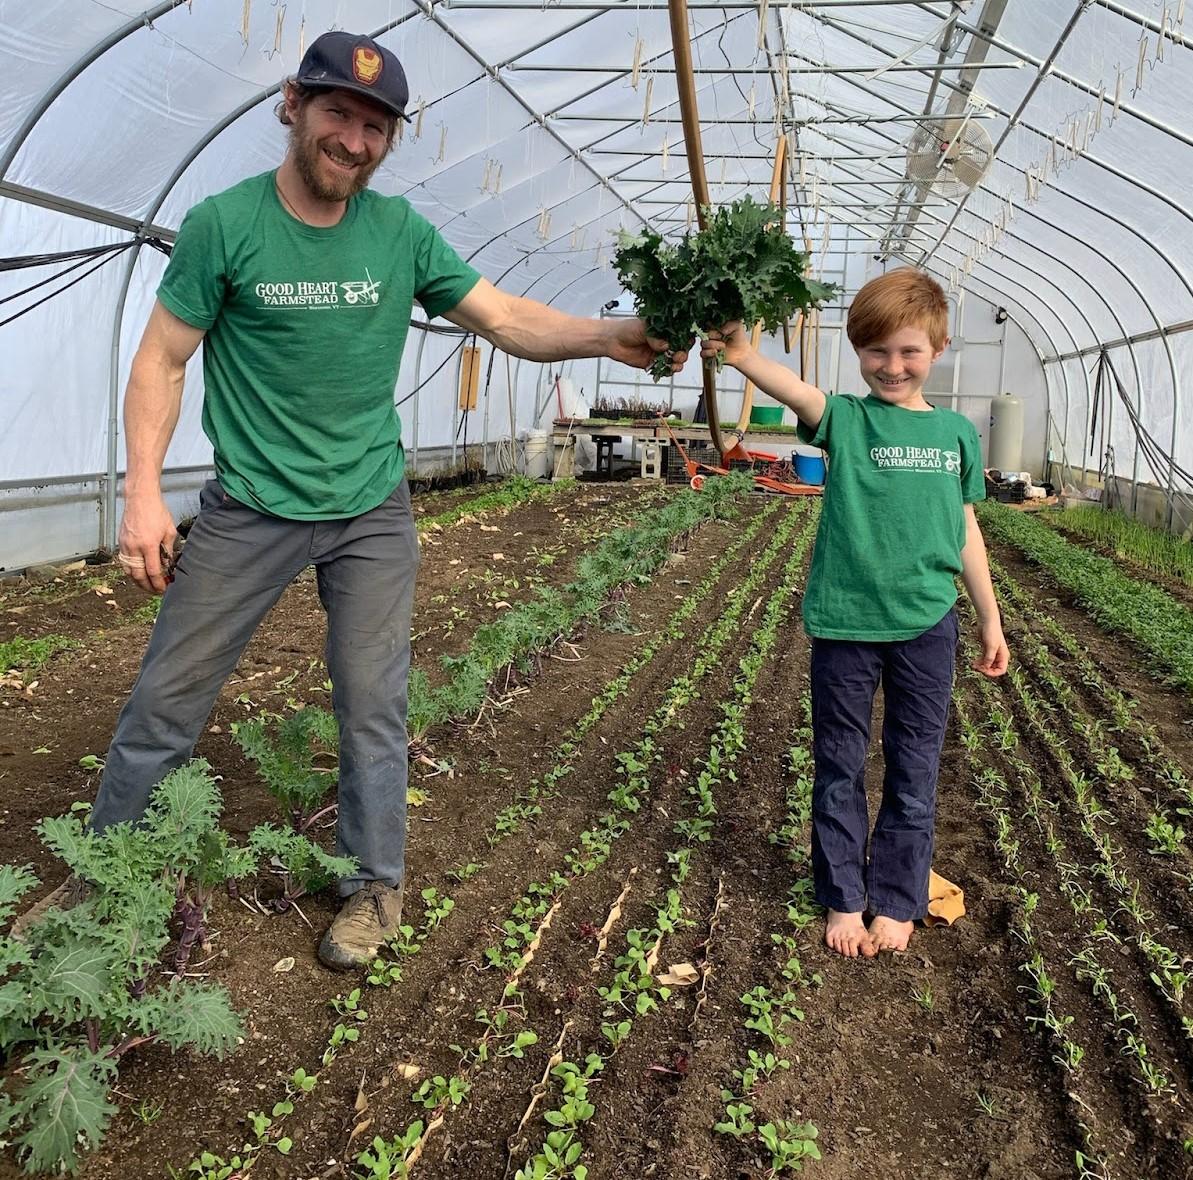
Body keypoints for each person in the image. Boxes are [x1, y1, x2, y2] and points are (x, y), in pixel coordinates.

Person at [15, 31, 684, 969]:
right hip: (250, 505)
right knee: (166, 701)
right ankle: (102, 876)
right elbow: (161, 360)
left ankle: (373, 884)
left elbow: (505, 318)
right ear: (294, 105)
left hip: (370, 508)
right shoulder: (224, 225)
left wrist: (609, 335)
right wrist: (141, 495)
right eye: (338, 114)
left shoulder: (399, 232)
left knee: (373, 705)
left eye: (376, 128)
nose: (355, 141)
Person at [702, 268, 1009, 959]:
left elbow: (965, 528)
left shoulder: (956, 434)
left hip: (927, 623)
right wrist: (743, 355)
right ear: (858, 353)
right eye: (876, 352)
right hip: (845, 623)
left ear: (938, 348)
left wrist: (989, 617)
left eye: (908, 351)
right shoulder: (847, 418)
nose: (892, 366)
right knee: (839, 763)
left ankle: (897, 900)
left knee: (914, 765)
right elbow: (797, 390)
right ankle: (843, 894)